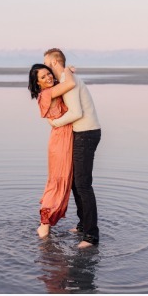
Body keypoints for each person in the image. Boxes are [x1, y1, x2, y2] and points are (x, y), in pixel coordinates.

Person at [41, 50, 102, 248]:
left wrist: (56, 123)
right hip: (82, 133)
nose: (45, 67)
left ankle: (91, 236)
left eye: (46, 63)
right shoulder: (67, 79)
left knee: (83, 185)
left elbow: (77, 112)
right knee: (76, 183)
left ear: (54, 61)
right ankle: (83, 225)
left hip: (86, 133)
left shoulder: (68, 79)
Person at [29, 65, 74, 239]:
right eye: (43, 77)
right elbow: (69, 83)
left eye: (49, 74)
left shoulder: (50, 92)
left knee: (61, 179)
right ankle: (44, 225)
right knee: (57, 180)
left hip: (61, 137)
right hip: (60, 140)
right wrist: (67, 69)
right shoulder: (47, 93)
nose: (48, 77)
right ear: (38, 83)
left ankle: (46, 223)